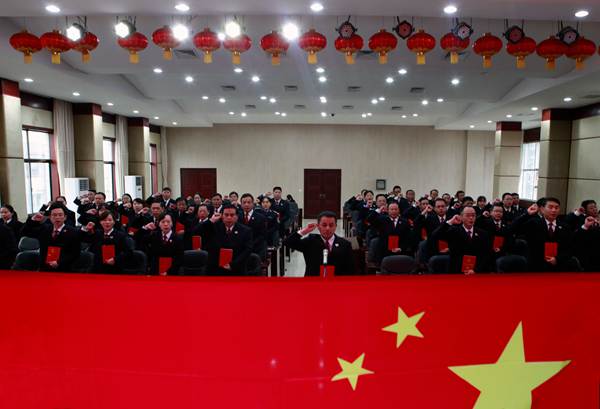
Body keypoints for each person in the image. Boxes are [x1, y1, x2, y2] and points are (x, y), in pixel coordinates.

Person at [512, 198, 578, 272]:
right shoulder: (533, 224)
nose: (554, 210)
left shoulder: (565, 227)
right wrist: (527, 214)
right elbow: (513, 229)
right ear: (542, 209)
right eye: (550, 207)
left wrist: (557, 259)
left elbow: (570, 248)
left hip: (558, 267)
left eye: (556, 208)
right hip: (536, 267)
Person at [284, 210, 356, 276]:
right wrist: (304, 231)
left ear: (335, 226)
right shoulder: (311, 241)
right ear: (318, 226)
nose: (328, 228)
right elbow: (288, 242)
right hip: (313, 282)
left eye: (331, 225)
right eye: (324, 225)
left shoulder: (345, 244)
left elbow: (351, 270)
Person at [21, 203, 82, 272]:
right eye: (54, 215)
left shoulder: (73, 232)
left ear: (65, 217)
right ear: (50, 217)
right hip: (45, 269)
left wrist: (59, 262)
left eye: (60, 215)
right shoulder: (44, 229)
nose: (57, 217)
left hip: (64, 269)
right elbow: (25, 232)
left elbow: (75, 253)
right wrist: (32, 220)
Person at [430, 206, 491, 274]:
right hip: (457, 271)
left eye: (473, 215)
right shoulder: (454, 231)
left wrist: (475, 270)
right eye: (468, 215)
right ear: (461, 217)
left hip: (476, 271)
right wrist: (450, 222)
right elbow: (435, 235)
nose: (471, 218)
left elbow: (485, 255)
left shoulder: (483, 233)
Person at [196, 204, 253, 275]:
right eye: (226, 215)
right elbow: (197, 231)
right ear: (222, 216)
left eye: (232, 215)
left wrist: (232, 265)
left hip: (236, 269)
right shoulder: (214, 227)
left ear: (237, 217)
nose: (229, 217)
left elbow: (247, 250)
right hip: (215, 269)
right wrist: (211, 220)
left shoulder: (245, 231)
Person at [239, 193, 267, 260]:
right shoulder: (237, 217)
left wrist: (250, 245)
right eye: (244, 202)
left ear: (253, 204)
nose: (246, 204)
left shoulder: (261, 217)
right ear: (241, 204)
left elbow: (262, 235)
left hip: (256, 248)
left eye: (249, 202)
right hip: (240, 249)